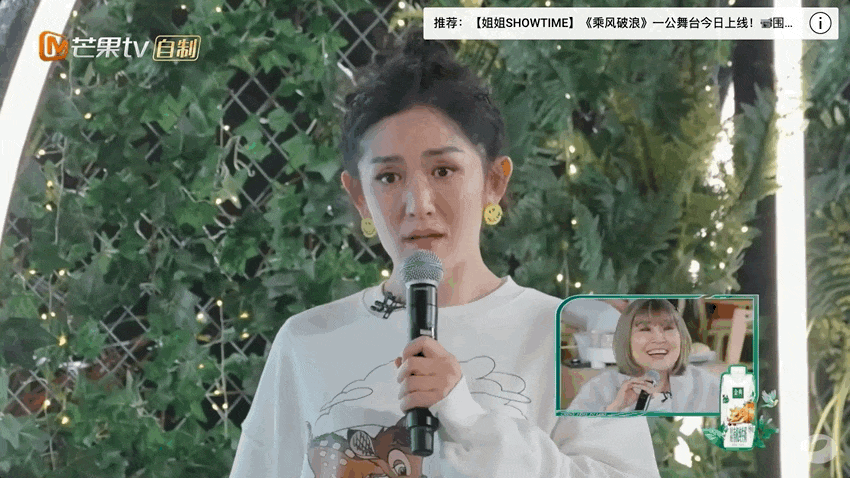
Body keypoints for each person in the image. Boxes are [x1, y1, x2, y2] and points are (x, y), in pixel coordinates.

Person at [229, 28, 661, 478]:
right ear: (359, 196)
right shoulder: (307, 342)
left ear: (494, 181)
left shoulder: (581, 335)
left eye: (443, 170)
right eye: (389, 177)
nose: (419, 204)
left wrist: (468, 418)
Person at [568, 299, 721, 414]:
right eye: (645, 329)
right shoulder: (600, 388)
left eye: (668, 328)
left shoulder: (706, 385)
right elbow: (570, 435)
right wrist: (614, 409)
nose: (659, 339)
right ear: (626, 340)